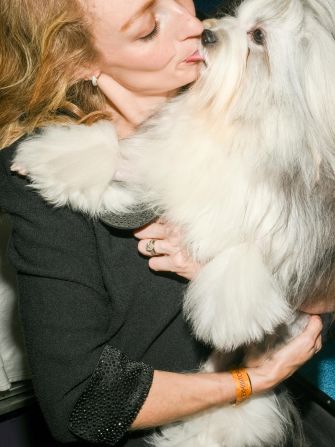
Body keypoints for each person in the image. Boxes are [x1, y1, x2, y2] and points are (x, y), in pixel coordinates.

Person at [0, 1, 329, 446]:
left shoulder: (258, 109)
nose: (196, 26)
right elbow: (81, 403)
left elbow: (320, 276)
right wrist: (250, 381)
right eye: (149, 28)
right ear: (76, 61)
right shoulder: (48, 179)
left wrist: (237, 269)